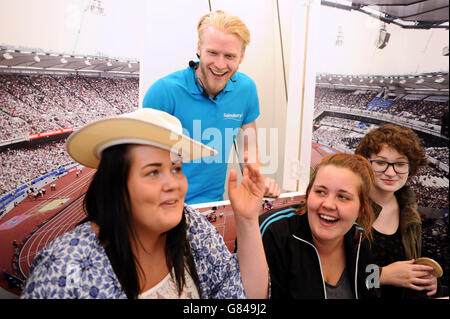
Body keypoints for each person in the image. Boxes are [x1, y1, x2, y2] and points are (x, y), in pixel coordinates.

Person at [21, 108, 268, 299]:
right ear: (116, 184)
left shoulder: (191, 227)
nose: (173, 183)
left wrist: (246, 220)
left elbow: (241, 297)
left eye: (176, 169)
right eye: (153, 172)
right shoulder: (62, 267)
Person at [142, 10, 280, 204]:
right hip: (163, 205)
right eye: (213, 53)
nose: (220, 65)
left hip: (212, 207)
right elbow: (143, 162)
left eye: (230, 56)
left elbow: (248, 148)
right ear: (199, 48)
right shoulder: (163, 91)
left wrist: (257, 181)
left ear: (242, 56)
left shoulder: (247, 89)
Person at [260, 153, 376, 299]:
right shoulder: (274, 232)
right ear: (308, 194)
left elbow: (372, 290)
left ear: (361, 209)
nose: (328, 204)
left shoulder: (362, 238)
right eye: (320, 192)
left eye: (343, 197)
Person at [355, 123, 439, 298]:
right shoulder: (350, 207)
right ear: (365, 163)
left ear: (411, 168)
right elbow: (328, 276)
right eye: (380, 162)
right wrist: (381, 276)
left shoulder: (409, 210)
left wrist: (424, 279)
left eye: (400, 164)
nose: (391, 172)